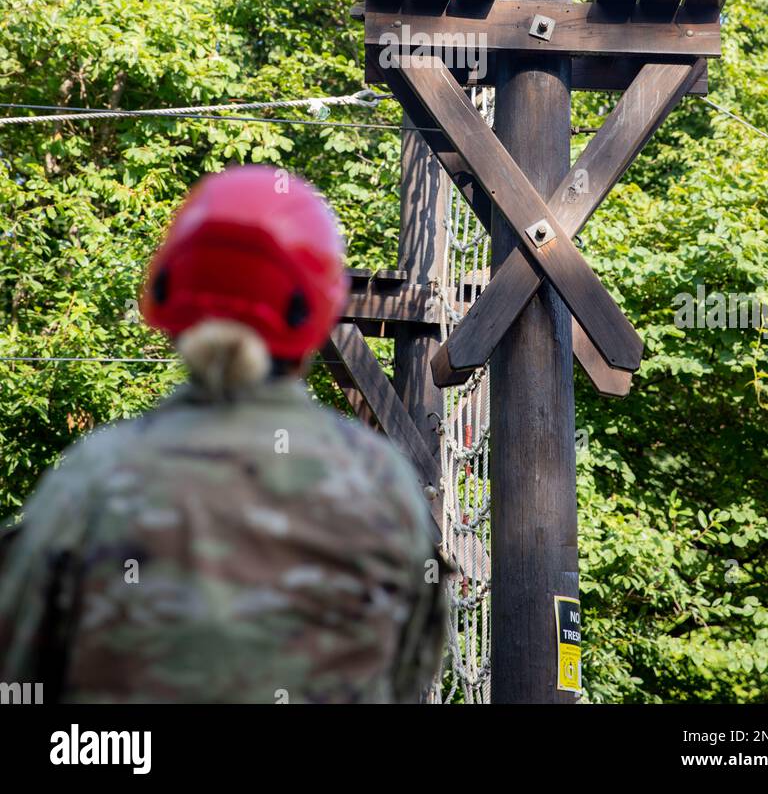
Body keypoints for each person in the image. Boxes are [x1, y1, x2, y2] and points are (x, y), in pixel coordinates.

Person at [0, 166, 448, 704]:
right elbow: (409, 681)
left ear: (168, 296)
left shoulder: (94, 477)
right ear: (317, 307)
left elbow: (19, 671)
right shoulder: (381, 484)